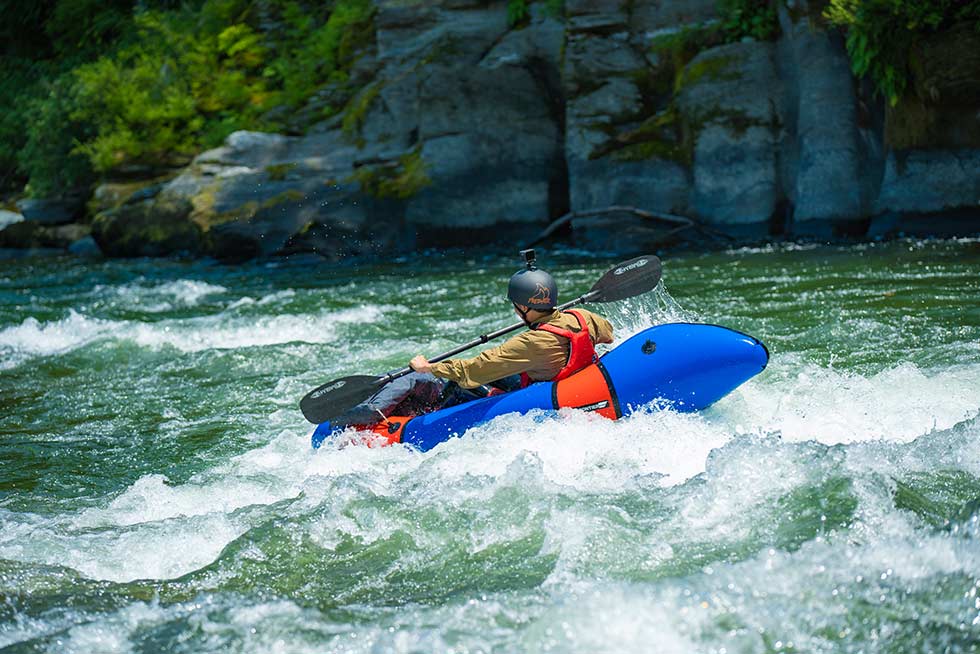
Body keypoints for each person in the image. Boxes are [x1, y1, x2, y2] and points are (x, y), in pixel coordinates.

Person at [409, 250, 614, 391]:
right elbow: (609, 334)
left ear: (524, 307)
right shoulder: (581, 316)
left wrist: (429, 367)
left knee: (459, 383)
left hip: (544, 389)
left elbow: (473, 370)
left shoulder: (529, 343)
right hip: (574, 379)